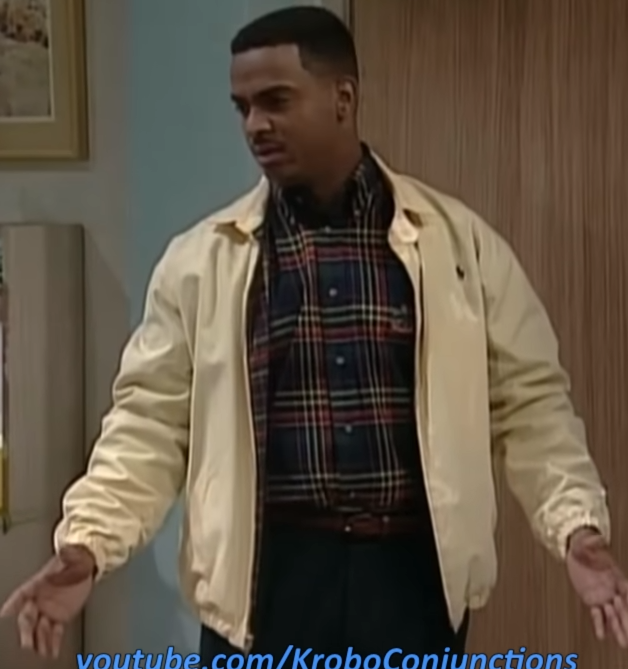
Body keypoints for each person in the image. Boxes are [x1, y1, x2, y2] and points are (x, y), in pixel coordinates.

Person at [2, 5, 627, 663]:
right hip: (265, 582)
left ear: (343, 99)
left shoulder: (458, 248)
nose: (255, 125)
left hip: (411, 580)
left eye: (276, 101)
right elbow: (148, 424)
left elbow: (532, 406)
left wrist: (576, 529)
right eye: (242, 107)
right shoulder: (202, 262)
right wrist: (88, 543)